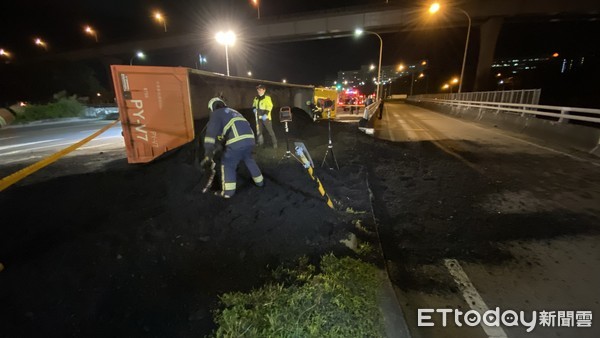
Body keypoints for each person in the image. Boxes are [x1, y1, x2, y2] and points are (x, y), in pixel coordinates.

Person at [202, 97, 264, 198]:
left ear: (212, 108)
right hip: (250, 139)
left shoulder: (216, 114)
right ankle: (260, 182)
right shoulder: (232, 111)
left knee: (228, 163)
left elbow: (210, 135)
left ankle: (228, 193)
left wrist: (208, 152)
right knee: (248, 159)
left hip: (237, 140)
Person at [252, 84, 278, 149]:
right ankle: (260, 143)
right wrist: (254, 109)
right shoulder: (256, 98)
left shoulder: (267, 98)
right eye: (258, 89)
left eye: (260, 89)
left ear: (264, 90)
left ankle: (275, 144)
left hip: (266, 118)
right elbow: (254, 105)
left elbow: (270, 106)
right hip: (258, 118)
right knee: (259, 132)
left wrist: (266, 114)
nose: (259, 90)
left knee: (270, 131)